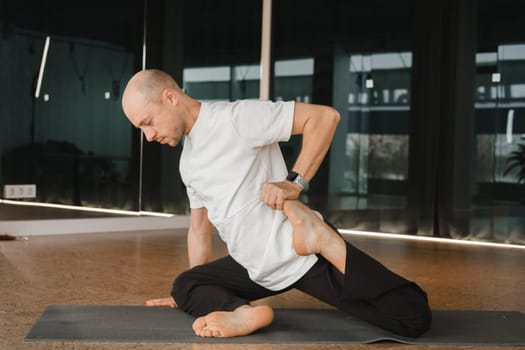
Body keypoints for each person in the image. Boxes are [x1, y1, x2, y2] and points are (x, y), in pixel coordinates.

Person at [121, 69, 432, 339]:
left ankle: (323, 238)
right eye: (141, 129)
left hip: (296, 252)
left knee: (411, 318)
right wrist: (201, 294)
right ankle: (243, 313)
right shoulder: (188, 163)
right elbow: (199, 230)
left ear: (171, 97)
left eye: (148, 122)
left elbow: (324, 117)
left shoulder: (236, 118)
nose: (148, 136)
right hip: (253, 263)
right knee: (186, 284)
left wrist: (294, 182)